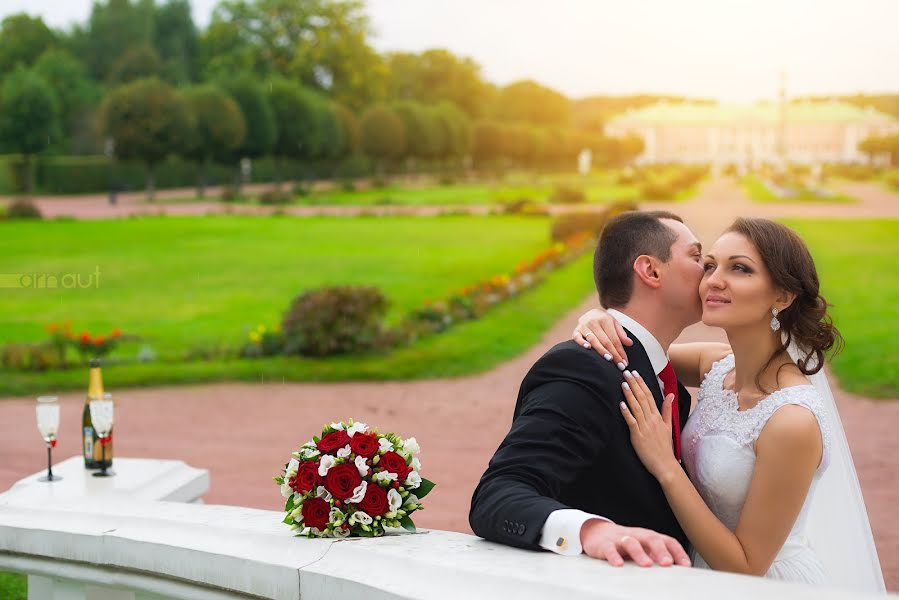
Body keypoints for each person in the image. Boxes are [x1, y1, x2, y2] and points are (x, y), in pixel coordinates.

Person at [571, 217, 885, 591]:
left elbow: (747, 566)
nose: (713, 280)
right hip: (694, 576)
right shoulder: (715, 366)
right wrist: (598, 317)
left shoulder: (791, 421)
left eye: (740, 268)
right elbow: (640, 347)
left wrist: (666, 466)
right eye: (710, 265)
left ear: (782, 297)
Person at [469, 210, 701, 568]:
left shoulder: (664, 379)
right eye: (698, 257)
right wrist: (592, 531)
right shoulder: (583, 369)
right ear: (651, 271)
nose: (710, 274)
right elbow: (498, 494)